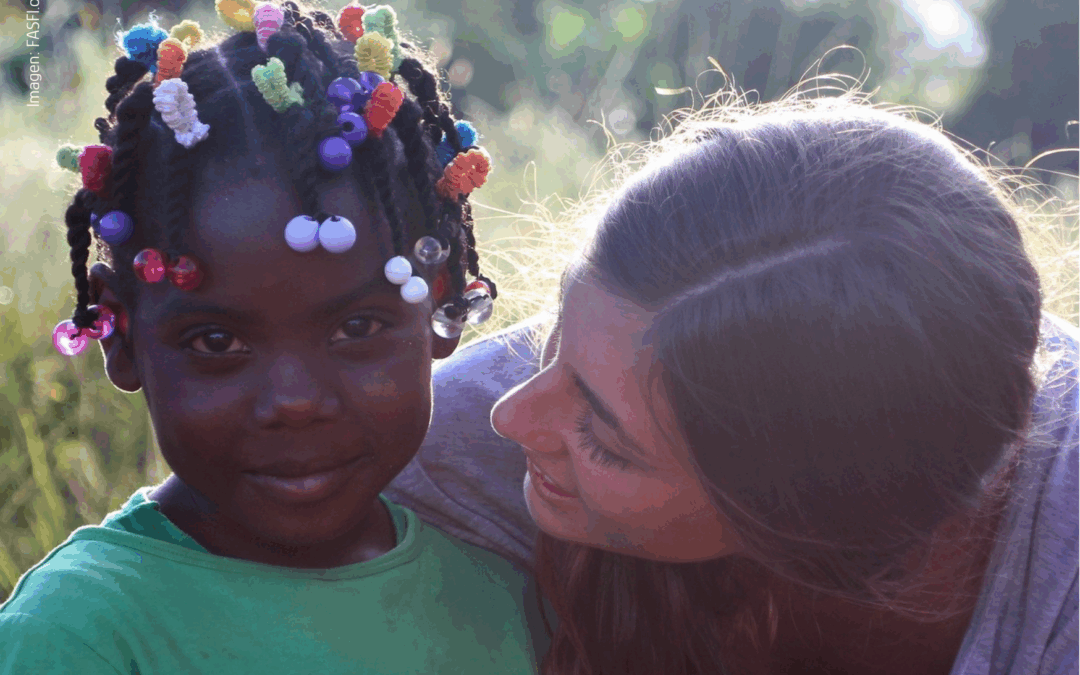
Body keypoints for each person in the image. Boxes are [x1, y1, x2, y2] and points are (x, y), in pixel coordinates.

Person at [386, 94, 1079, 675]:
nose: (512, 415)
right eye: (559, 333)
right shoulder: (443, 441)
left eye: (604, 439)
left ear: (806, 529)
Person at [0, 3, 541, 673]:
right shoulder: (78, 635)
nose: (294, 400)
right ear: (122, 334)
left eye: (356, 327)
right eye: (218, 341)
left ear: (441, 301)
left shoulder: (507, 601)